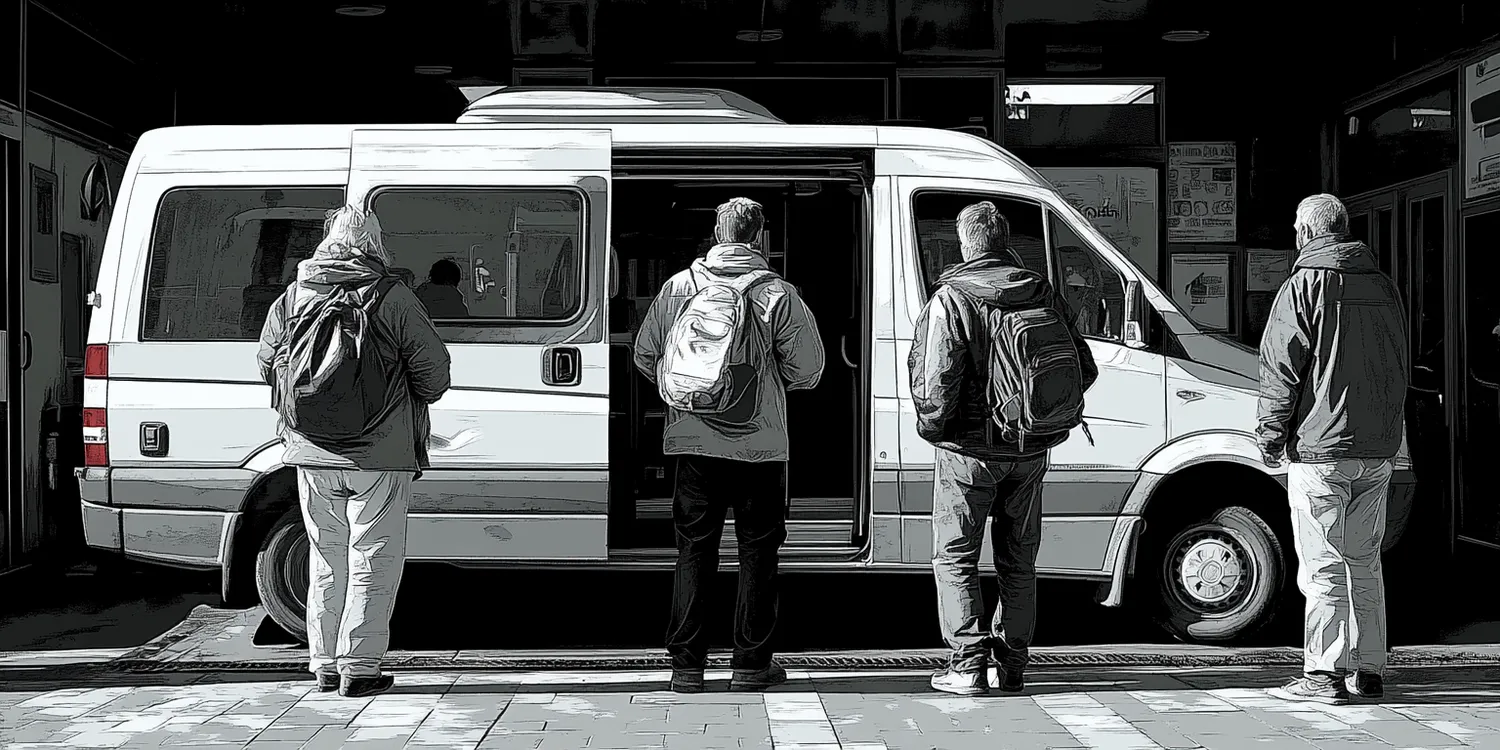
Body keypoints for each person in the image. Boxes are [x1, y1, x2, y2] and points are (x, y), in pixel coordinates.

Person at [256, 205, 452, 698]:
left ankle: (322, 664)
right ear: (374, 244)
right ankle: (360, 667)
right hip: (378, 455)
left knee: (326, 557)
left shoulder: (294, 295)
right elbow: (434, 373)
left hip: (311, 453)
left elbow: (268, 365)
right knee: (373, 558)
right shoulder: (391, 295)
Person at [633, 197, 825, 694]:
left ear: (717, 234)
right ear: (759, 237)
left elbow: (646, 354)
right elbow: (808, 370)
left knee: (694, 551)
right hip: (760, 446)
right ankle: (750, 665)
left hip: (693, 442)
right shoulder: (777, 295)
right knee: (758, 553)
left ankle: (686, 668)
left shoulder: (680, 287)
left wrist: (691, 390)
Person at [908, 201, 1097, 696]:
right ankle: (1012, 665)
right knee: (1018, 559)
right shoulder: (1041, 293)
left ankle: (968, 666)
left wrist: (937, 432)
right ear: (1004, 241)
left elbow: (936, 382)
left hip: (968, 451)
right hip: (1031, 450)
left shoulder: (952, 299)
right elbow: (1084, 369)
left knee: (955, 556)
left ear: (965, 243)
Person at [1260, 194, 1408, 706]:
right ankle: (1369, 671)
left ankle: (1323, 675)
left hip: (1322, 448)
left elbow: (1282, 370)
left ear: (1305, 233)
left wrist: (1270, 435)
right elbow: (1400, 365)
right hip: (1379, 448)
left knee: (1322, 563)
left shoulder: (1303, 287)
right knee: (1365, 561)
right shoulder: (1384, 287)